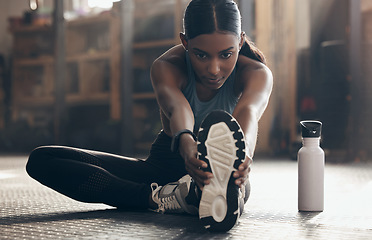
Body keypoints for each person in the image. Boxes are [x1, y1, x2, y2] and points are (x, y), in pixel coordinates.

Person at [26, 0, 272, 232]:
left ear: (240, 42)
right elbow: (178, 109)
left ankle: (185, 197)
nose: (214, 69)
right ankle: (159, 198)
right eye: (201, 55)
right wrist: (187, 143)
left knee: (239, 191)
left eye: (226, 55)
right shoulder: (167, 65)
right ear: (185, 42)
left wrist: (243, 155)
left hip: (217, 174)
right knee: (43, 159)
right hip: (164, 166)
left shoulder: (256, 73)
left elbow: (247, 115)